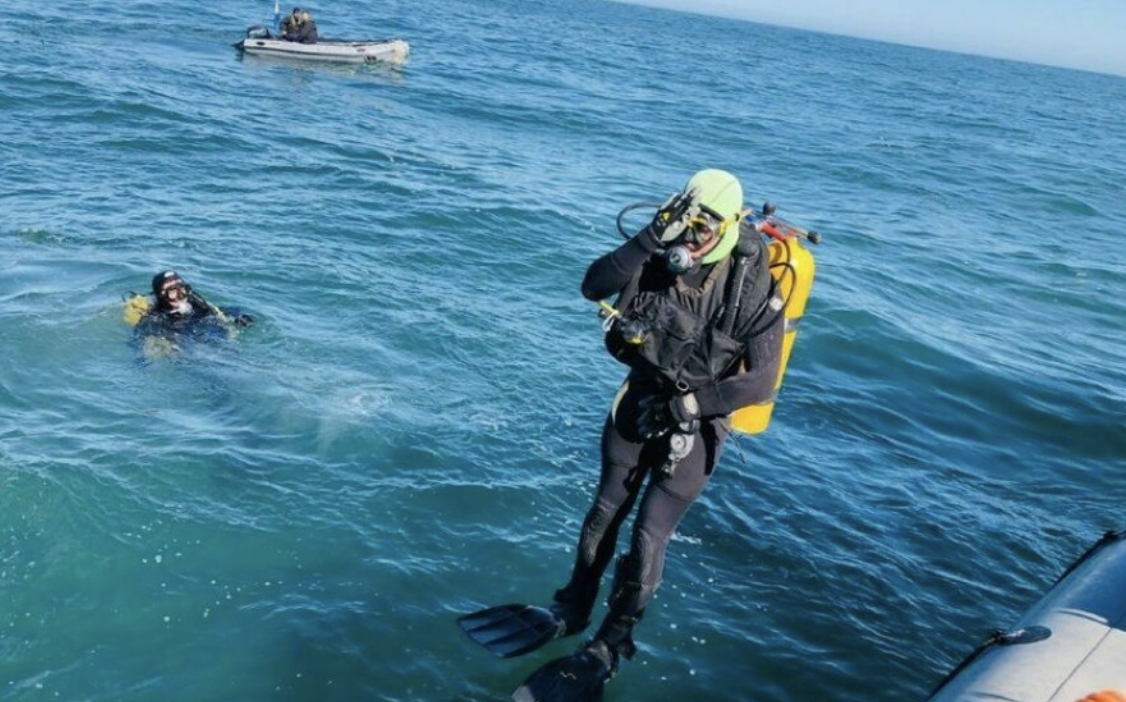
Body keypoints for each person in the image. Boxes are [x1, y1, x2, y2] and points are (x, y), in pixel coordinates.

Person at [458, 170, 785, 701]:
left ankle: (609, 645)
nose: (690, 240)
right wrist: (652, 236)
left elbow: (760, 384)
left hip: (699, 418)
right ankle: (571, 609)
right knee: (605, 509)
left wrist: (692, 403)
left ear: (725, 227)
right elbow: (593, 285)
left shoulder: (752, 286)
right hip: (639, 397)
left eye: (701, 230)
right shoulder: (660, 250)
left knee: (648, 534)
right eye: (685, 224)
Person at [133, 270, 253, 360]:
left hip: (211, 338)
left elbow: (224, 310)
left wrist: (240, 315)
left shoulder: (197, 305)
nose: (180, 295)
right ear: (161, 297)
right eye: (172, 292)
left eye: (182, 289)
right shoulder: (156, 318)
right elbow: (139, 336)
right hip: (187, 350)